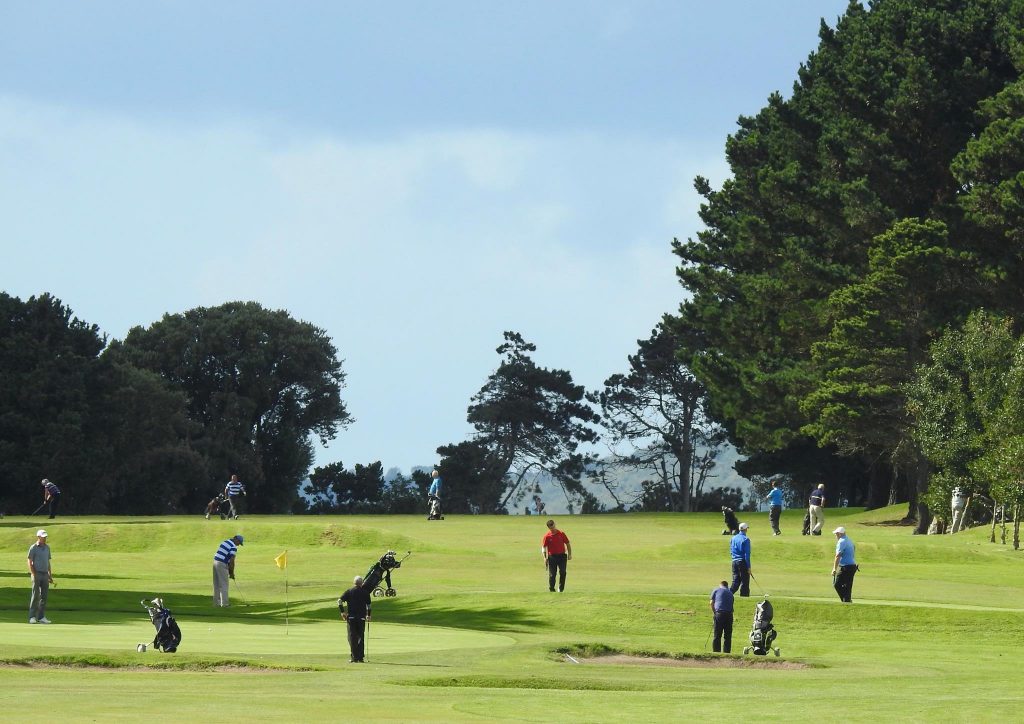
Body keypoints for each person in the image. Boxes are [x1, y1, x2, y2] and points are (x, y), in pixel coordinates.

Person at [339, 575, 373, 663]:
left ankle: (354, 657)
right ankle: (360, 657)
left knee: (352, 637)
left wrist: (342, 612)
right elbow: (369, 606)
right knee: (360, 637)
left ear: (354, 583)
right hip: (361, 618)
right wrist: (368, 615)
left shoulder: (349, 591)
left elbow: (339, 601)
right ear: (362, 583)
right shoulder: (365, 592)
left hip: (351, 618)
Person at [27, 529, 54, 624]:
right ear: (38, 537)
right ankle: (32, 617)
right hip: (36, 573)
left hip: (45, 574)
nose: (44, 538)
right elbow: (29, 561)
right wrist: (33, 573)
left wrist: (50, 575)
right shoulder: (33, 547)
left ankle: (41, 617)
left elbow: (48, 562)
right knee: (35, 595)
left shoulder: (47, 548)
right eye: (43, 537)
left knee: (44, 596)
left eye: (45, 537)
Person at [212, 534, 244, 607]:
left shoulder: (225, 542)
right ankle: (225, 604)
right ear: (236, 539)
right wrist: (231, 573)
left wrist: (230, 572)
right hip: (221, 564)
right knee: (224, 585)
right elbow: (232, 561)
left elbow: (227, 558)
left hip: (215, 562)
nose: (238, 545)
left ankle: (216, 604)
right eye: (239, 543)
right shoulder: (233, 547)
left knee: (216, 584)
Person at [542, 519, 572, 592]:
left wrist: (569, 554)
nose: (553, 529)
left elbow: (567, 543)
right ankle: (552, 589)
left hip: (562, 556)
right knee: (552, 575)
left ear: (555, 525)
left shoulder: (561, 533)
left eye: (553, 527)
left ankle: (561, 589)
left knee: (563, 572)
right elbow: (543, 547)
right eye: (551, 528)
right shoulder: (547, 536)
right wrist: (545, 557)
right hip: (552, 557)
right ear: (549, 528)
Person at [832, 526, 858, 602]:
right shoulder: (849, 540)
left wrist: (834, 568)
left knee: (837, 584)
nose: (836, 536)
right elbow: (854, 548)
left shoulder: (841, 541)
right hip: (852, 566)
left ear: (840, 534)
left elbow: (838, 556)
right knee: (847, 586)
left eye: (836, 534)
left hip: (846, 567)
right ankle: (847, 600)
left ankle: (846, 601)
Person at [709, 580, 734, 653]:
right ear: (727, 586)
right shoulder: (730, 592)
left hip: (719, 614)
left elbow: (711, 603)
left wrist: (714, 612)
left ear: (720, 585)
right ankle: (727, 653)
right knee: (728, 636)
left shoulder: (716, 590)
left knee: (717, 635)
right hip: (729, 615)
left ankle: (716, 652)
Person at [729, 522, 751, 597]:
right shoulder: (746, 539)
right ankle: (744, 597)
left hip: (734, 562)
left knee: (735, 582)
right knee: (745, 582)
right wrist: (749, 567)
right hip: (742, 562)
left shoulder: (733, 538)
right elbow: (747, 555)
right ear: (746, 529)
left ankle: (727, 594)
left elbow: (731, 551)